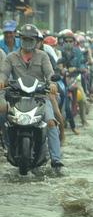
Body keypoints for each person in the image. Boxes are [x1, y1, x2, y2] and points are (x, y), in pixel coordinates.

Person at [0, 24, 64, 171]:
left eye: (31, 39)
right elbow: (3, 72)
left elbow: (49, 73)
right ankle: (8, 147)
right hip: (17, 97)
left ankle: (56, 159)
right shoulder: (11, 57)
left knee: (51, 122)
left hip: (40, 96)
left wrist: (52, 83)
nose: (28, 41)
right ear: (20, 39)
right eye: (24, 39)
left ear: (37, 41)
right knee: (5, 119)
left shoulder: (43, 56)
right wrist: (1, 80)